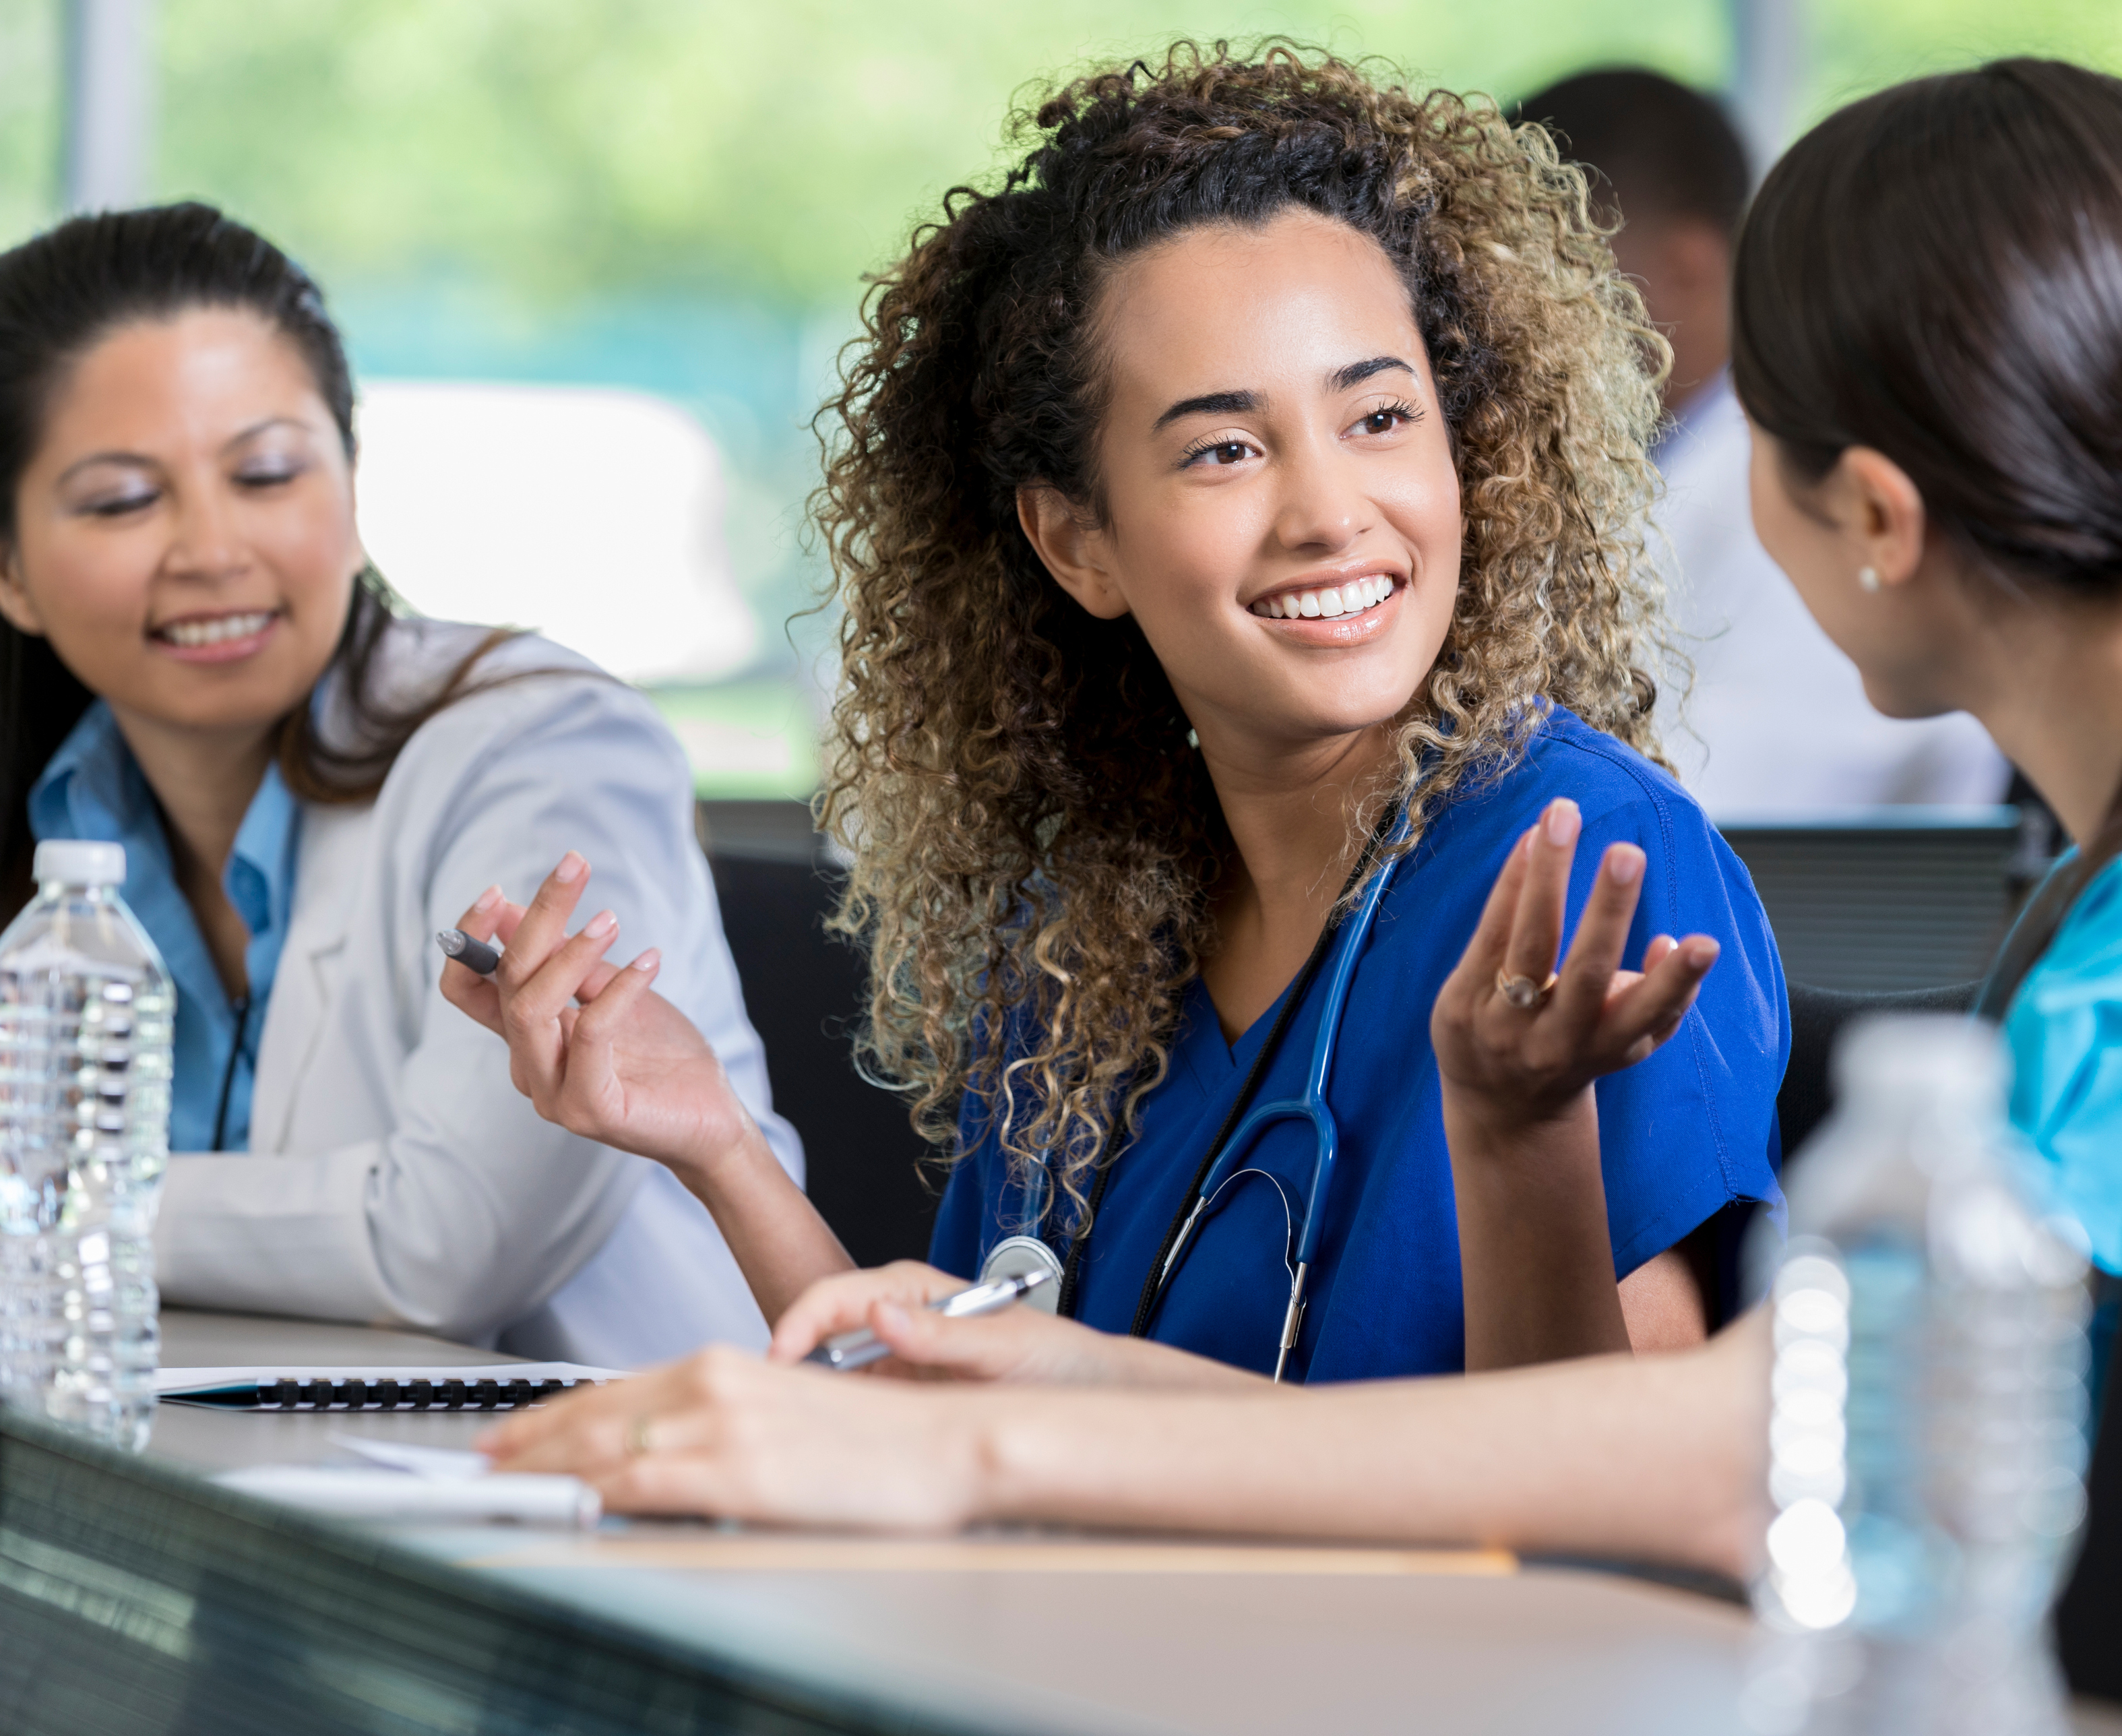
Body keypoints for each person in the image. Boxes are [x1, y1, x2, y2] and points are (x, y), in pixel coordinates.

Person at [484, 60, 2122, 1557]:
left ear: (1863, 514)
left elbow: (1751, 1461)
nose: (1325, 500)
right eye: (1219, 447)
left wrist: (993, 1457)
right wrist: (948, 1365)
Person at [442, 43, 1790, 1386]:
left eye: (1379, 416)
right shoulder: (1088, 931)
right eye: (1225, 448)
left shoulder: (1588, 857)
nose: (1328, 512)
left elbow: (1611, 1496)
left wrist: (1530, 1138)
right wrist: (715, 1142)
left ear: (1466, 451)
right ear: (1079, 542)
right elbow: (960, 1410)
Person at [0, 203, 803, 1367]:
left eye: (267, 473)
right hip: (204, 1471)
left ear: (349, 481)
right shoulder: (65, 819)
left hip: (601, 1502)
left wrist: (49, 1204)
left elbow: (446, 1244)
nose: (213, 548)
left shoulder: (539, 750)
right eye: (124, 500)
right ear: (13, 571)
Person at [1516, 68, 2007, 817]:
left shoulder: (1806, 477)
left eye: (1540, 277)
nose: (1506, 321)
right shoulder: (1650, 459)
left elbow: (1701, 793)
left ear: (1685, 268)